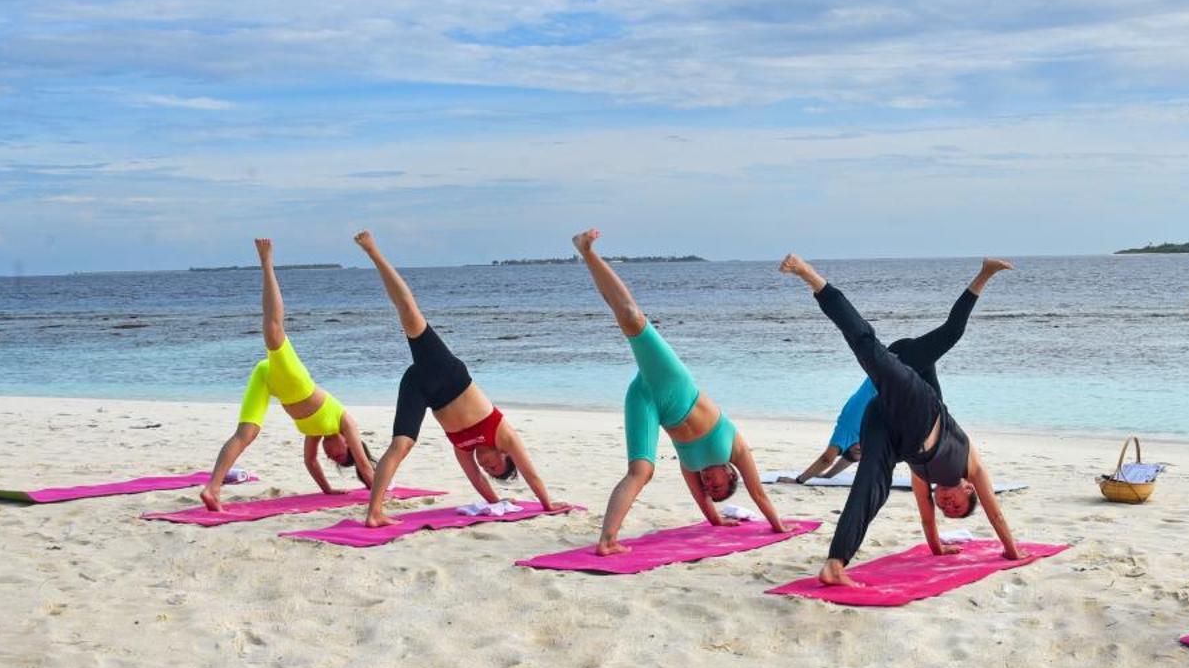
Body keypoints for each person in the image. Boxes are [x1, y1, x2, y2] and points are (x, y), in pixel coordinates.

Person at [778, 253, 1022, 585]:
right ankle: (809, 275)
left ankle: (835, 564)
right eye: (958, 506)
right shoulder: (971, 466)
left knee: (871, 487)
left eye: (947, 510)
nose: (948, 506)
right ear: (968, 489)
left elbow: (927, 520)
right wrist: (1011, 549)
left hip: (886, 422)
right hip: (919, 405)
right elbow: (995, 512)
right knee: (868, 347)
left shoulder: (924, 479)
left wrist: (937, 548)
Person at [572, 228, 788, 554]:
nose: (708, 486)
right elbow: (759, 494)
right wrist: (779, 526)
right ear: (730, 474)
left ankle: (607, 540)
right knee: (632, 317)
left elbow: (702, 503)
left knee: (640, 471)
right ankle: (587, 252)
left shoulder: (692, 467)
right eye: (717, 486)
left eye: (709, 489)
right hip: (674, 384)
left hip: (645, 399)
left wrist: (716, 519)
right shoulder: (735, 448)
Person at [352, 231, 565, 528]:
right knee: (410, 314)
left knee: (400, 445)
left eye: (489, 469)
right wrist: (546, 503)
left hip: (421, 386)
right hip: (446, 373)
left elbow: (475, 478)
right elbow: (531, 473)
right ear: (503, 453)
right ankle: (374, 252)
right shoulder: (504, 434)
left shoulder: (465, 450)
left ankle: (373, 513)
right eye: (495, 464)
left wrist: (497, 502)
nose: (486, 466)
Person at [791, 258, 1014, 482]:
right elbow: (844, 459)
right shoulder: (861, 432)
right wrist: (828, 478)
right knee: (937, 410)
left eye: (855, 450)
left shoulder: (845, 429)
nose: (860, 451)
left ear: (845, 445)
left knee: (952, 332)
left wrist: (801, 479)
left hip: (900, 362)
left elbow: (827, 458)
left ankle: (986, 271)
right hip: (905, 368)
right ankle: (961, 467)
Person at [200, 239, 374, 513]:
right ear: (348, 442)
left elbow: (310, 462)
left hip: (268, 379)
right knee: (274, 332)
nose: (332, 455)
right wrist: (379, 493)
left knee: (245, 434)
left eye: (335, 459)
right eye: (341, 453)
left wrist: (327, 489)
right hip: (296, 383)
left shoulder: (316, 434)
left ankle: (212, 488)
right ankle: (266, 260)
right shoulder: (344, 420)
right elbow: (364, 465)